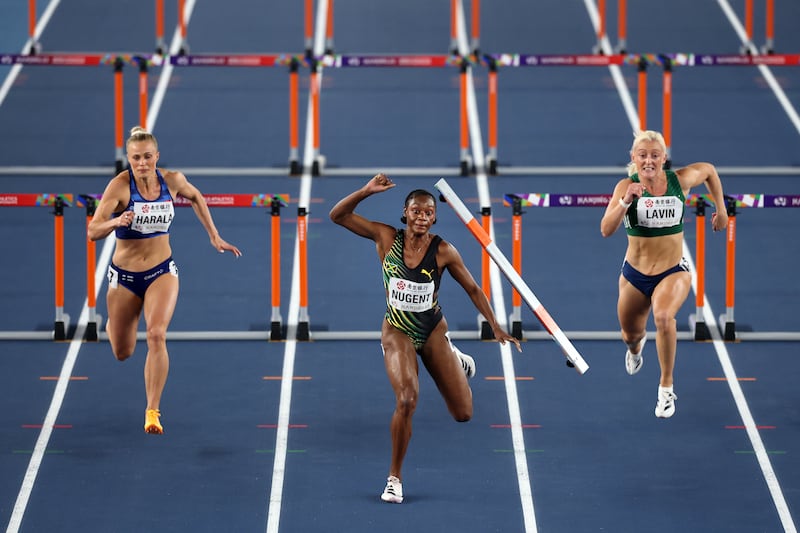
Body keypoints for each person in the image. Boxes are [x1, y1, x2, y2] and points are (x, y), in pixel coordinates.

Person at [329, 173, 521, 503]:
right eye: (416, 211)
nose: (421, 217)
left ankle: (457, 359)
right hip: (397, 331)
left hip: (432, 330)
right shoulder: (386, 237)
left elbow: (473, 288)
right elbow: (338, 216)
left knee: (463, 414)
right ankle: (394, 478)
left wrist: (495, 325)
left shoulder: (444, 250)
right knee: (407, 399)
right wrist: (365, 191)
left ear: (434, 217)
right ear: (405, 214)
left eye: (428, 212)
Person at [88, 126, 242, 435]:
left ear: (156, 156)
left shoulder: (172, 180)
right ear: (128, 159)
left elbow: (196, 197)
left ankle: (152, 411)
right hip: (125, 277)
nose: (142, 163)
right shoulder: (119, 187)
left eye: (147, 157)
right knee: (123, 351)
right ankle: (114, 324)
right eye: (136, 158)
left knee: (157, 334)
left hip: (161, 271)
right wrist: (117, 221)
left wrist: (214, 235)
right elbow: (93, 231)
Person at [600, 130, 727, 418]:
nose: (648, 161)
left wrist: (721, 209)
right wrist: (624, 203)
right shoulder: (625, 186)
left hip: (673, 270)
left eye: (655, 155)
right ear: (634, 158)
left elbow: (708, 170)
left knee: (663, 317)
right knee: (630, 334)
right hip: (635, 273)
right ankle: (635, 349)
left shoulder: (678, 182)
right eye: (643, 155)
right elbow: (606, 230)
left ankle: (666, 388)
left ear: (663, 159)